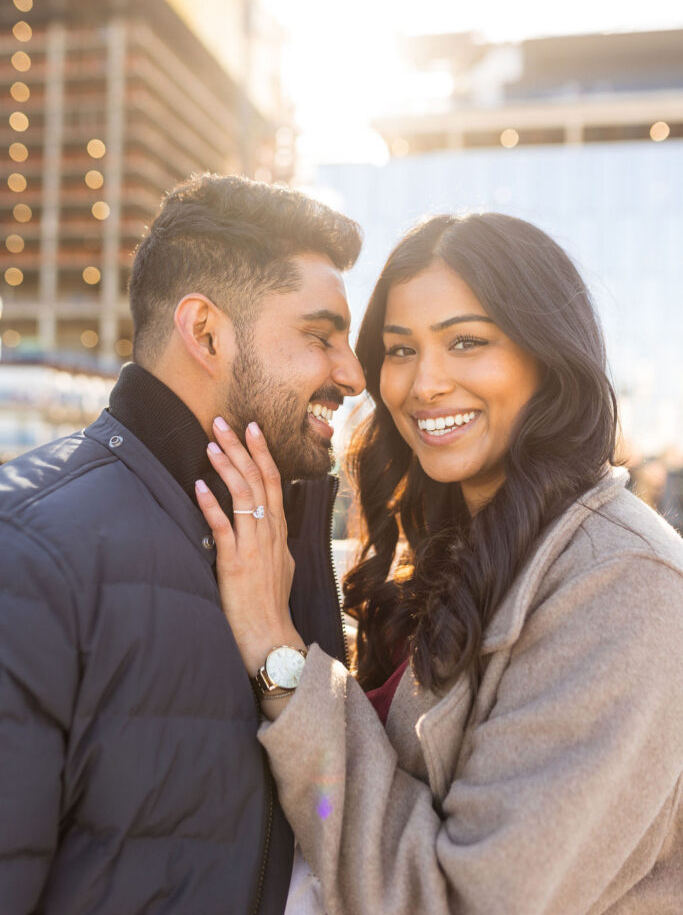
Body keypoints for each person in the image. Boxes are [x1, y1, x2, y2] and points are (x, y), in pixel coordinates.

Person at [198, 213, 683, 914]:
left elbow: (454, 902)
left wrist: (280, 658)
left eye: (466, 342)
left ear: (546, 357)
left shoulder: (623, 584)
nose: (423, 383)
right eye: (399, 350)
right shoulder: (451, 543)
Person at [0, 174, 365, 915]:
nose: (352, 375)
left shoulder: (282, 547)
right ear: (205, 333)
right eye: (319, 336)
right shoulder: (30, 554)